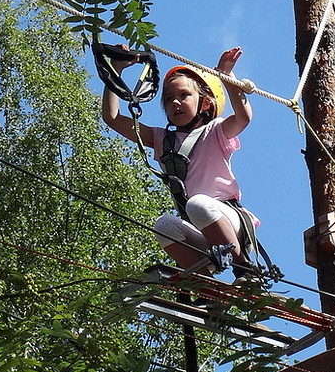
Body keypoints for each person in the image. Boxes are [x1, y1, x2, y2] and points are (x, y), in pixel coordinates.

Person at [102, 46, 255, 276]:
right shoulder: (163, 139)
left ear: (205, 103)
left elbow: (243, 118)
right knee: (164, 226)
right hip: (201, 230)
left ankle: (244, 269)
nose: (175, 102)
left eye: (184, 95)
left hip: (229, 221)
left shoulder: (215, 131)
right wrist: (116, 69)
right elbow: (112, 118)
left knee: (198, 204)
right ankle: (203, 284)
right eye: (169, 99)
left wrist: (226, 76)